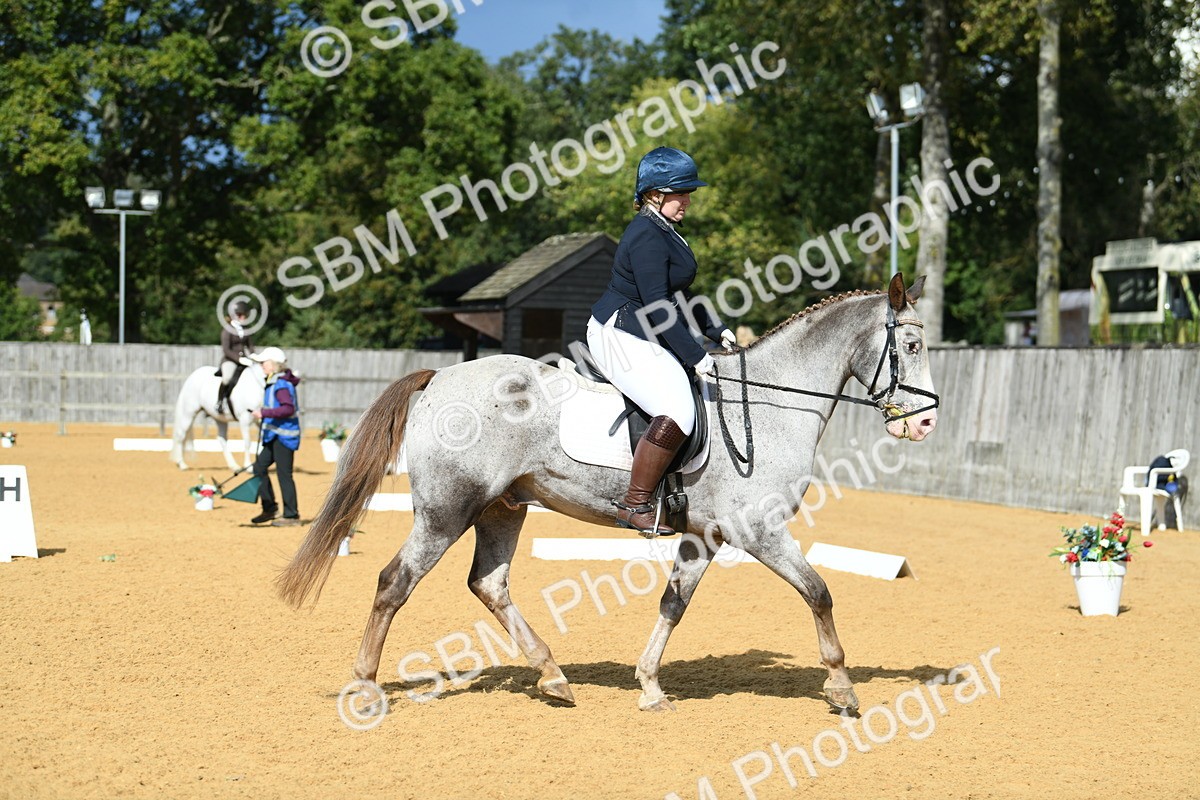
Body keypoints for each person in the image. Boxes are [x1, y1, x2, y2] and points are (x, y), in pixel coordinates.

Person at [586, 146, 735, 536]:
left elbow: (677, 294)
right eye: (680, 192)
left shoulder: (665, 230)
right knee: (677, 409)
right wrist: (694, 354)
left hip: (643, 327)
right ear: (654, 194)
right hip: (618, 333)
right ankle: (635, 504)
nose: (687, 200)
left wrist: (714, 328)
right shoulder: (647, 235)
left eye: (688, 193)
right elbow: (656, 303)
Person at [249, 346, 302, 526]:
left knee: (284, 474)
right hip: (274, 435)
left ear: (274, 364)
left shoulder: (280, 384)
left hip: (284, 436)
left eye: (264, 362)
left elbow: (288, 408)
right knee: (259, 468)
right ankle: (270, 508)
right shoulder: (273, 381)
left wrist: (265, 412)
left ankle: (291, 515)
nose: (262, 365)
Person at [217, 302, 254, 415]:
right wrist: (239, 359)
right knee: (227, 378)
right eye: (243, 315)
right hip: (230, 360)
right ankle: (220, 401)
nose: (245, 317)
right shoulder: (227, 330)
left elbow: (250, 345)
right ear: (237, 315)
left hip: (244, 360)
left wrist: (253, 356)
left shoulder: (245, 330)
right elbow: (226, 350)